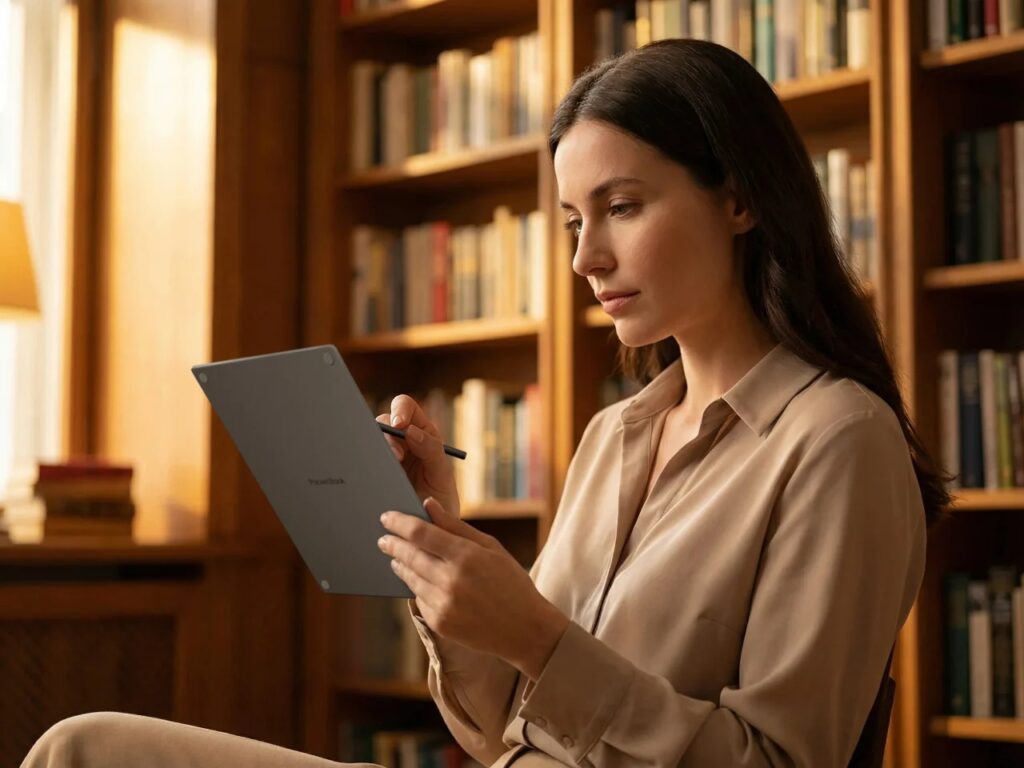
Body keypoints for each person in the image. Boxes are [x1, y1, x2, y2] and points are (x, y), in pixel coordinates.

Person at [21, 38, 947, 768]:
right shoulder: (614, 434)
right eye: (575, 222)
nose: (586, 260)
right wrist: (445, 540)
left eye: (621, 206)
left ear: (740, 198)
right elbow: (496, 729)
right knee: (85, 747)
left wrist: (541, 640)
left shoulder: (837, 441)